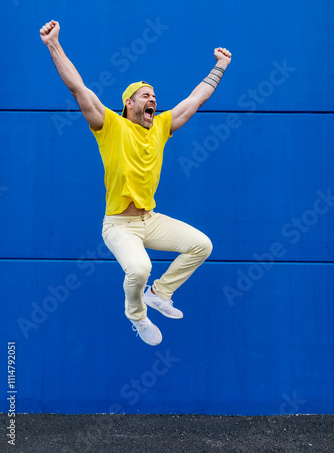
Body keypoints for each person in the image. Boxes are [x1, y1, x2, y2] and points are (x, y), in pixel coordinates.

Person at [40, 19, 232, 346]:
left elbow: (195, 100)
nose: (152, 99)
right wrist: (54, 44)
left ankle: (160, 294)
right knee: (140, 268)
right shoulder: (109, 125)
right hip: (118, 225)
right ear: (129, 103)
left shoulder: (161, 126)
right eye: (145, 95)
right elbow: (78, 88)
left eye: (154, 96)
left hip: (149, 219)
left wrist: (220, 66)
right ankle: (137, 315)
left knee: (202, 245)